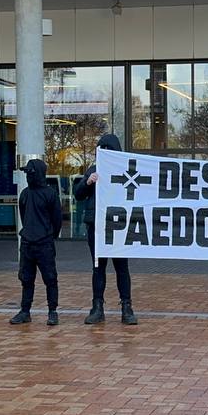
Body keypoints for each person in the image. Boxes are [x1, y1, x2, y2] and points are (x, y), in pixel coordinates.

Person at [74, 133, 136, 326]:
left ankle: (126, 307)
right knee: (98, 267)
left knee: (121, 268)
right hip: (97, 226)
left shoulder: (127, 170)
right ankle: (97, 307)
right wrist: (88, 181)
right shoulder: (94, 169)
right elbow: (78, 195)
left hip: (118, 225)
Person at [10, 158, 62, 326]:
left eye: (30, 173)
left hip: (44, 242)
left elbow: (57, 219)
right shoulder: (25, 194)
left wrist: (48, 235)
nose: (28, 177)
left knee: (50, 278)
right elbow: (23, 215)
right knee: (26, 278)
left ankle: (52, 311)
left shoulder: (50, 194)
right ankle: (25, 310)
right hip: (27, 242)